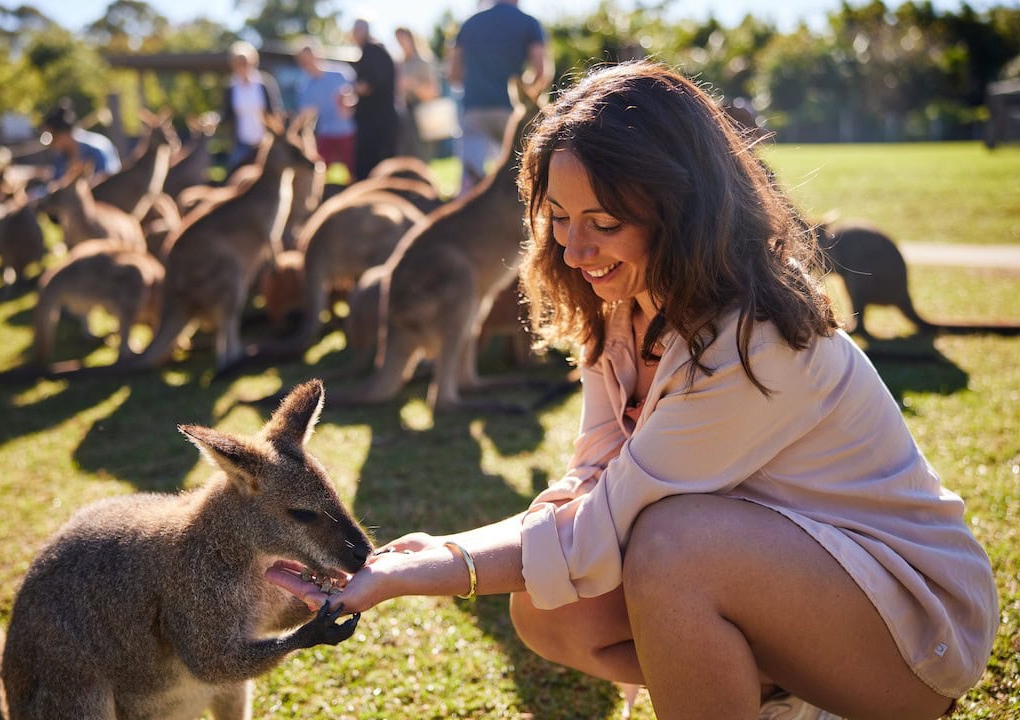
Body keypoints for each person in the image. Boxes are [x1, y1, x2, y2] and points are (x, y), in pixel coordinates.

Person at [267, 61, 999, 719]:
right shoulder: (624, 310)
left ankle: (798, 695)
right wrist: (437, 550)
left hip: (913, 636)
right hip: (784, 582)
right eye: (556, 220)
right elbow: (592, 478)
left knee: (670, 546)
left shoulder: (757, 335)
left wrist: (420, 571)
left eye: (604, 223)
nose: (574, 251)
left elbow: (613, 519)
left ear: (683, 214)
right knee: (550, 610)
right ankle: (768, 695)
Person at [448, 0, 551, 194]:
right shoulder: (528, 22)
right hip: (509, 111)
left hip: (474, 108)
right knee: (514, 181)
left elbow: (453, 74)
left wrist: (476, 84)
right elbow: (541, 72)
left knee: (470, 181)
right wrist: (524, 92)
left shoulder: (470, 23)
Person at [220, 40, 284, 177]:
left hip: (264, 143)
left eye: (245, 62)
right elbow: (226, 114)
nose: (242, 66)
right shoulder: (231, 87)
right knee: (234, 174)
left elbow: (275, 111)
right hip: (241, 142)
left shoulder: (264, 83)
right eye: (238, 62)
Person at [294, 44, 357, 181]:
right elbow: (306, 115)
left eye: (308, 58)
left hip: (347, 132)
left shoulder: (340, 74)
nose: (307, 63)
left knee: (352, 173)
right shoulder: (305, 87)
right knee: (321, 175)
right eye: (303, 60)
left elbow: (353, 97)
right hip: (325, 135)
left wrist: (347, 102)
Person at [349, 19, 398, 180]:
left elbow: (368, 85)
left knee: (371, 169)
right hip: (380, 122)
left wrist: (349, 92)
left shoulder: (372, 52)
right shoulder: (376, 52)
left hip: (375, 124)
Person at [40, 99, 121, 182]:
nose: (51, 143)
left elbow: (112, 180)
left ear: (63, 133)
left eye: (52, 137)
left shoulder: (97, 149)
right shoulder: (61, 158)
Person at [394, 26, 441, 161]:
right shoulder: (400, 63)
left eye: (403, 39)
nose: (401, 44)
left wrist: (411, 84)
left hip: (422, 113)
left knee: (422, 156)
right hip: (405, 113)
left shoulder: (423, 62)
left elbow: (433, 92)